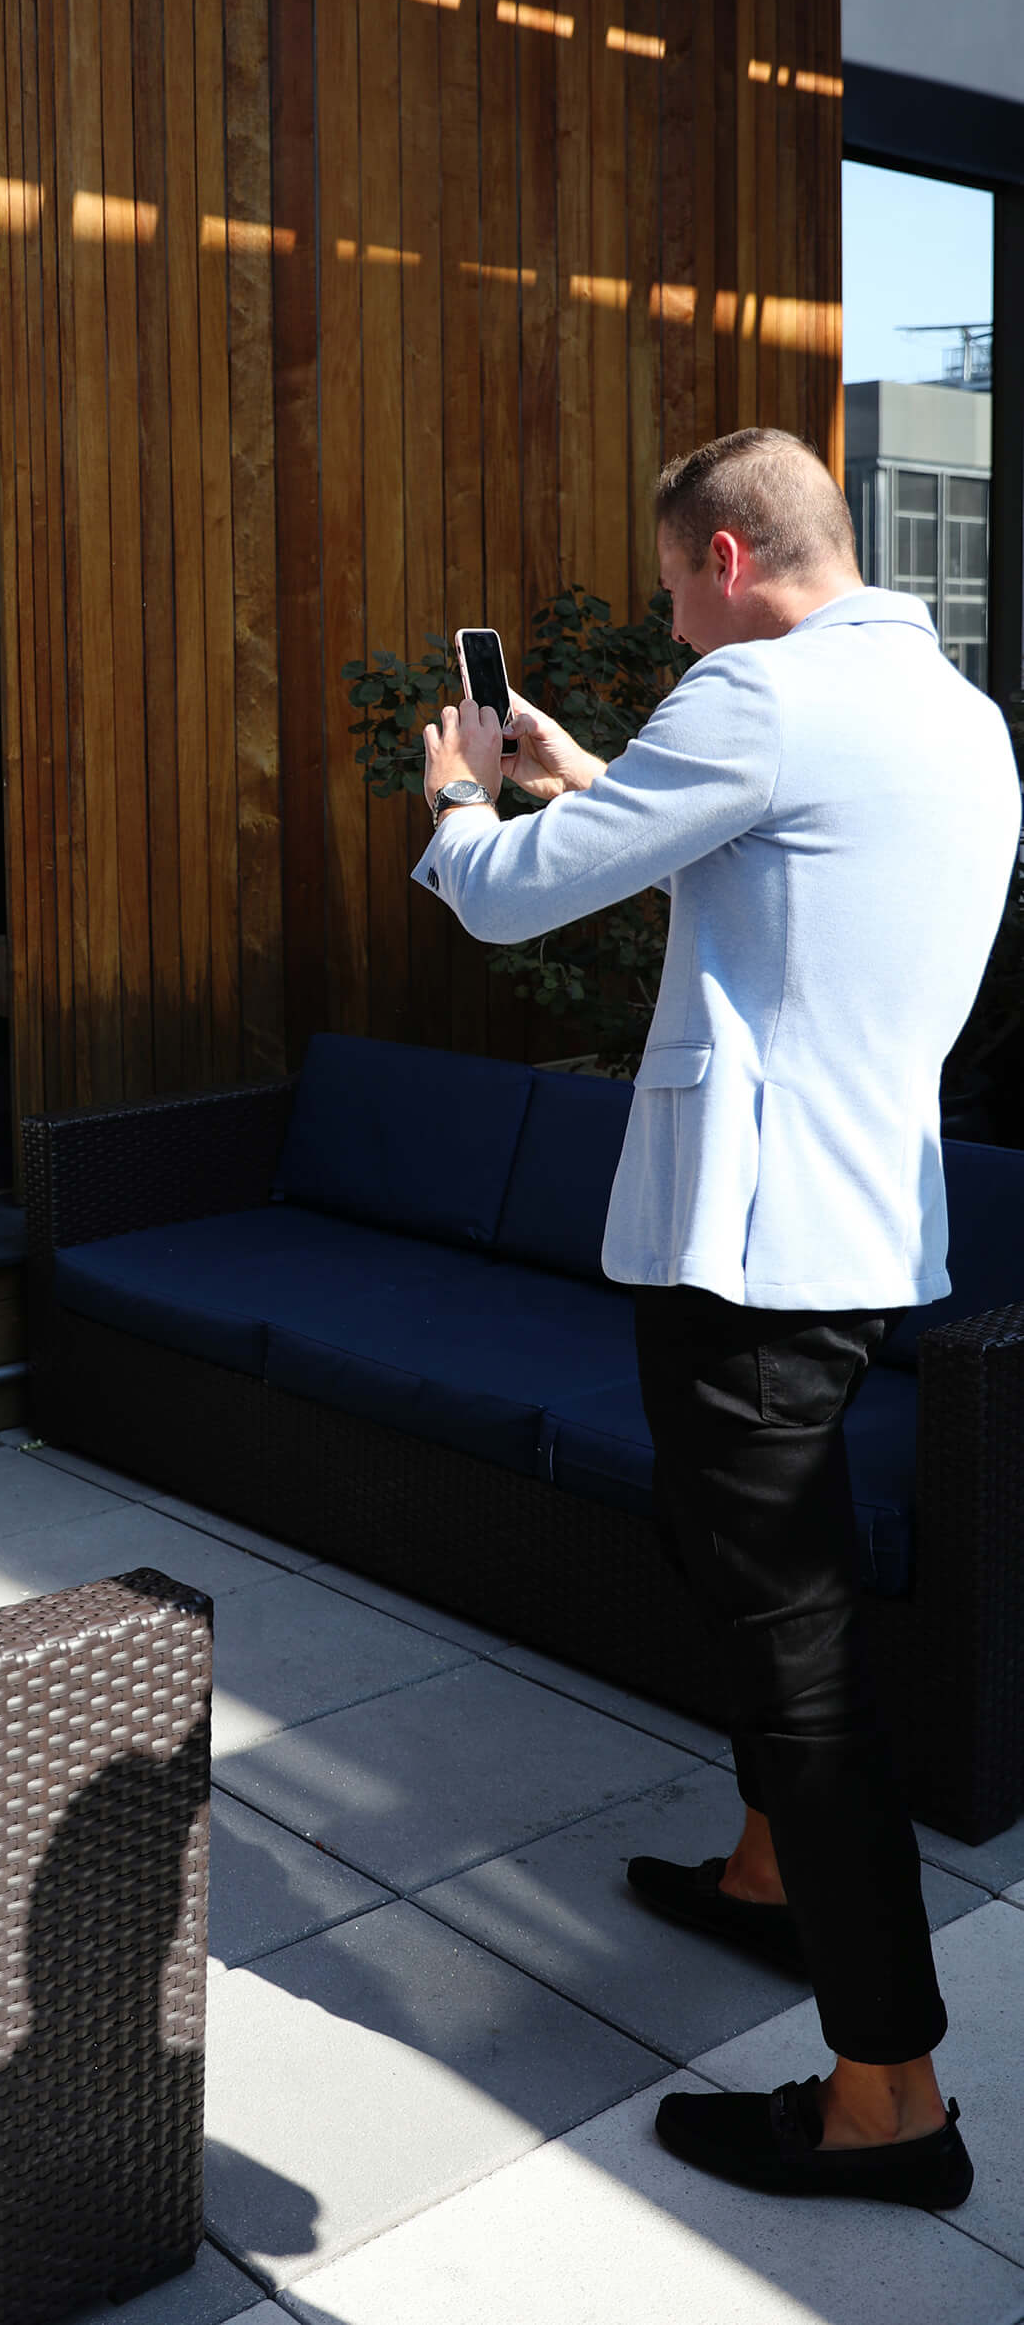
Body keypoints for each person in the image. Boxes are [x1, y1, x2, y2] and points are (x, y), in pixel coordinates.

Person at [415, 428, 1019, 2210]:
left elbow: (517, 899)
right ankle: (765, 1873)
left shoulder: (755, 699)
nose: (677, 625)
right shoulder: (953, 710)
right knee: (755, 1583)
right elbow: (776, 878)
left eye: (679, 588)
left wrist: (463, 792)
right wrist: (591, 768)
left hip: (744, 1255)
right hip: (846, 1239)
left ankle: (889, 2100)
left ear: (733, 560)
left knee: (801, 1659)